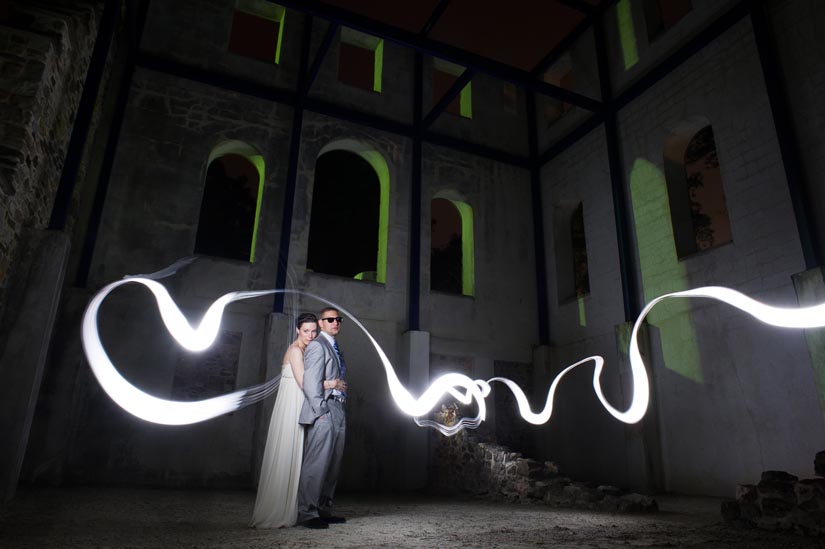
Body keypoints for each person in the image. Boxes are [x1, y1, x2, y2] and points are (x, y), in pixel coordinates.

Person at [250, 312, 343, 528]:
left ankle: (301, 508)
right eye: (306, 331)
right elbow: (304, 383)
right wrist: (333, 383)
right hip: (292, 405)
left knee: (304, 456)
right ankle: (287, 510)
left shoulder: (308, 349)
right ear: (297, 331)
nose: (310, 335)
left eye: (313, 331)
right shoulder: (295, 351)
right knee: (290, 453)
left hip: (303, 404)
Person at [296, 307, 348, 529]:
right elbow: (310, 383)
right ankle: (307, 513)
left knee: (332, 465)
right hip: (325, 409)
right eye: (330, 319)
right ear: (321, 322)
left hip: (339, 408)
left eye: (338, 319)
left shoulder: (335, 348)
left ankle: (324, 510)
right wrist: (321, 412)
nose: (335, 322)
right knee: (317, 463)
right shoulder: (318, 346)